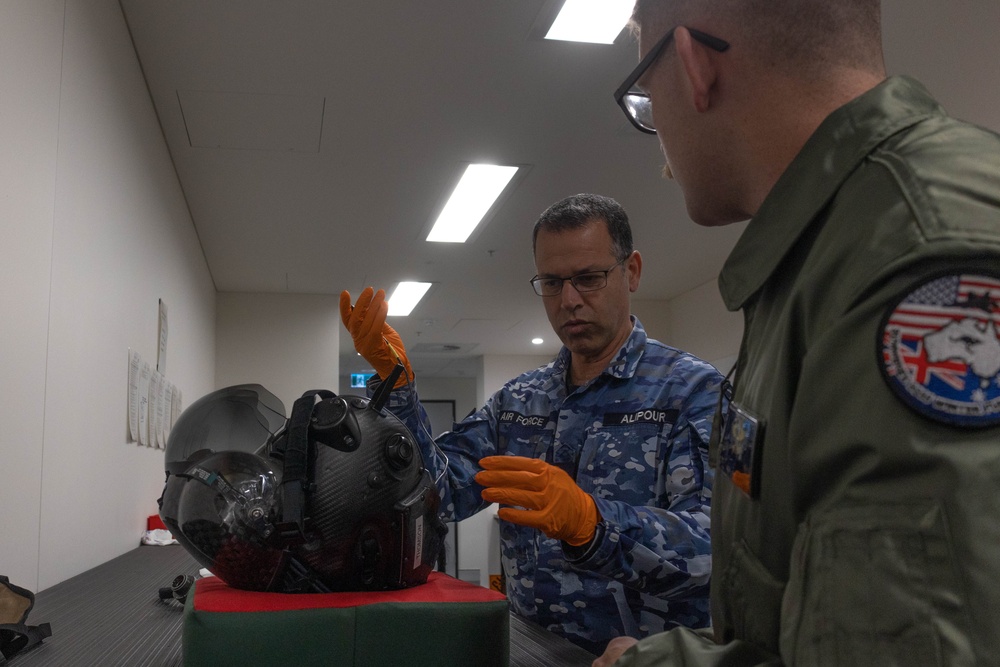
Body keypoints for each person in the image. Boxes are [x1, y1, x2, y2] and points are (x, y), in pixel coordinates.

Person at [600, 0, 1000, 665]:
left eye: (646, 97)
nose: (660, 147)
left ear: (695, 66)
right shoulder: (830, 254)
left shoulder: (915, 256)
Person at [340, 194, 724, 655]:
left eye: (588, 278)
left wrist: (593, 523)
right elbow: (433, 495)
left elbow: (717, 549)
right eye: (551, 282)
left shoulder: (692, 392)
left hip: (642, 658)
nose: (569, 300)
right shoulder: (519, 401)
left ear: (632, 271)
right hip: (531, 648)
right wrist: (396, 387)